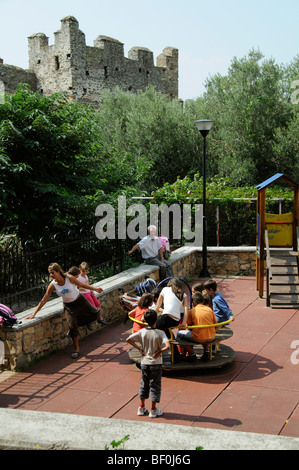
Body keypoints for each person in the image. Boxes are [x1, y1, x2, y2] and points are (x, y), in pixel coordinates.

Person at [25, 263, 104, 359]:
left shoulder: (69, 278)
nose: (51, 275)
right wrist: (34, 314)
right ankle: (76, 349)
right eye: (50, 273)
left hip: (80, 300)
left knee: (95, 314)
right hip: (69, 306)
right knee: (72, 326)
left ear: (58, 271)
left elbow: (81, 284)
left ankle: (79, 324)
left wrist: (95, 289)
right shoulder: (53, 285)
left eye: (52, 273)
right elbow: (44, 299)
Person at [126, 309, 170, 418]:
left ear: (145, 320)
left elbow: (128, 339)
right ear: (156, 319)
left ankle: (141, 407)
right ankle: (153, 410)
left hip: (145, 362)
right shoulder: (160, 333)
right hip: (156, 362)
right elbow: (168, 346)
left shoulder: (142, 332)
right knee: (155, 385)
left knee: (144, 384)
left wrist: (140, 348)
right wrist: (159, 352)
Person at [177, 292, 217, 362]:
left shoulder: (192, 311)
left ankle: (191, 353)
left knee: (179, 335)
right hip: (211, 336)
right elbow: (215, 322)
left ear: (194, 302)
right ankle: (206, 351)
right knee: (204, 331)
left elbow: (189, 325)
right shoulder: (209, 309)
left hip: (199, 337)